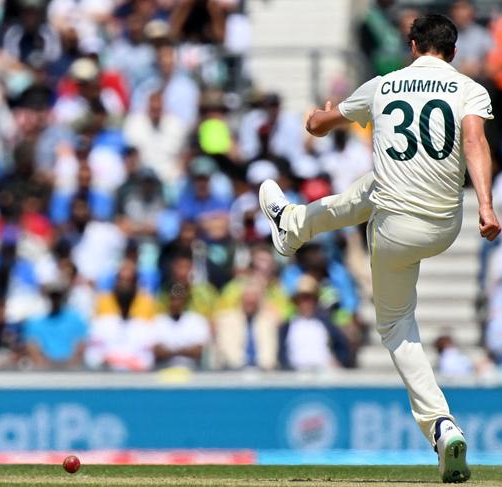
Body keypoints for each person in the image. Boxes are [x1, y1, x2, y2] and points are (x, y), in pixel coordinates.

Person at [258, 14, 500, 483]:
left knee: (394, 326)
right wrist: (486, 207)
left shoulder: (384, 85)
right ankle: (292, 225)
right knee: (373, 185)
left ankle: (440, 426)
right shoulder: (470, 88)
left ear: (412, 46)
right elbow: (475, 142)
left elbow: (319, 126)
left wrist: (314, 117)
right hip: (445, 223)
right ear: (451, 52)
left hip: (394, 229)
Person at [153, 283, 210, 370]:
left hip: (192, 371)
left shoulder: (197, 321)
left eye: (179, 299)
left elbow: (198, 352)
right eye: (173, 299)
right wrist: (184, 351)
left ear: (185, 300)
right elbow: (158, 352)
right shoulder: (158, 321)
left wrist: (171, 351)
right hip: (164, 371)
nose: (176, 303)